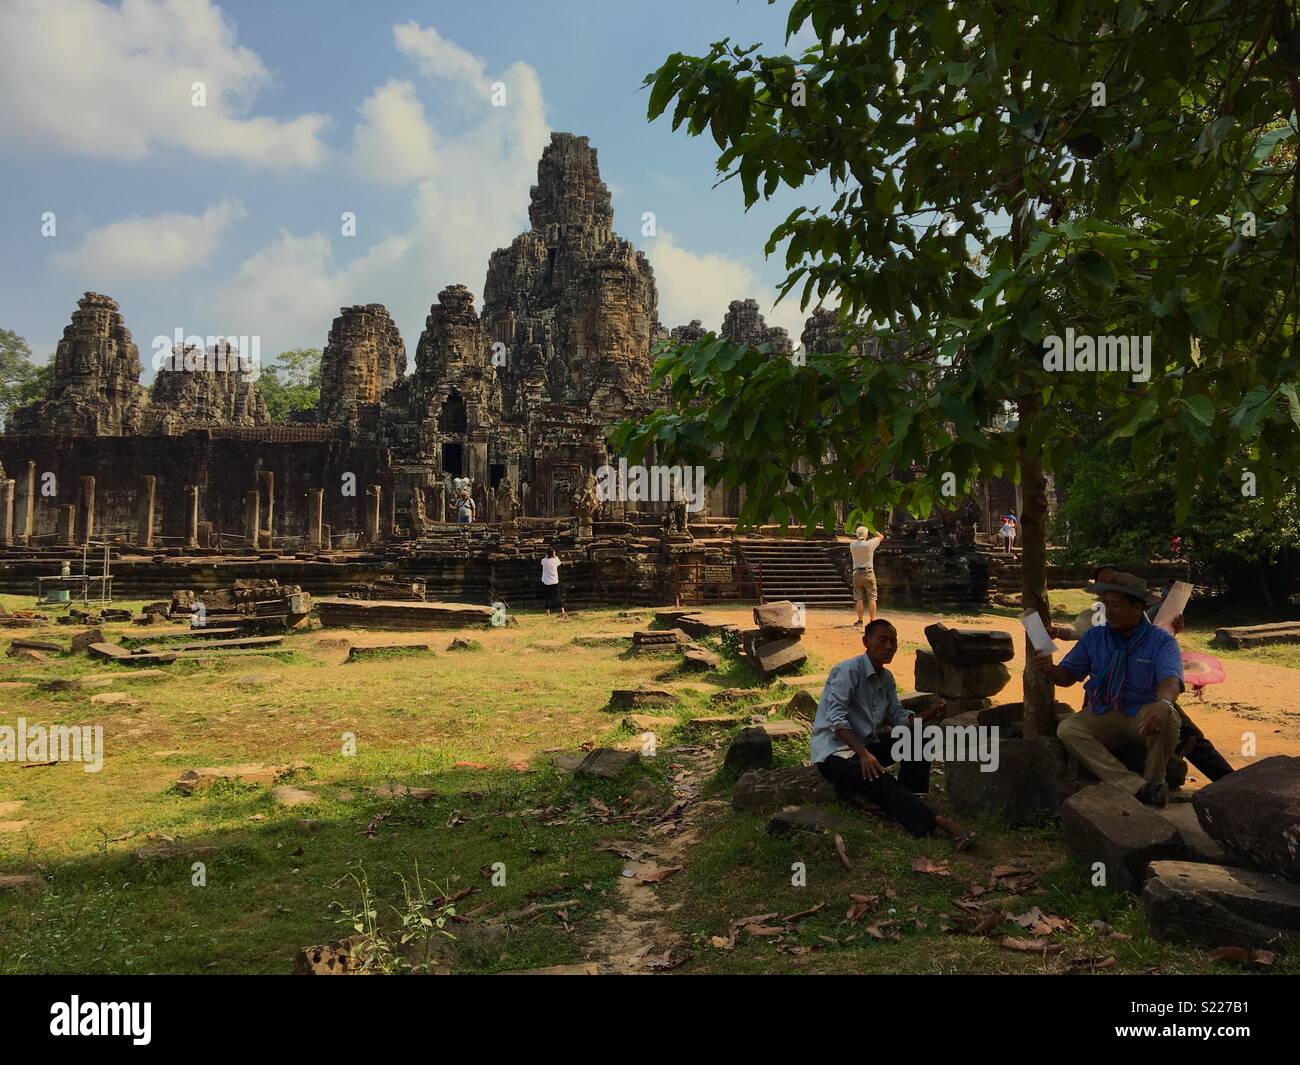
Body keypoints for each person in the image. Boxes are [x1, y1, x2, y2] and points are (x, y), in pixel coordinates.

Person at [811, 619, 975, 849]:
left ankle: (912, 796)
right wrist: (864, 754)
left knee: (920, 737)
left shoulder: (886, 678)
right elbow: (835, 720)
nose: (890, 646)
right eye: (883, 640)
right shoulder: (847, 671)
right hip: (836, 753)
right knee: (880, 778)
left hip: (867, 745)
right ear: (866, 642)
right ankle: (939, 822)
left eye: (894, 641)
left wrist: (929, 713)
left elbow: (898, 717)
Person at [1033, 570, 1183, 807]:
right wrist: (1051, 670)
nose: (1110, 611)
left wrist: (1163, 704)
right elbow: (1068, 676)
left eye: (1117, 605)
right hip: (1106, 712)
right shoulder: (1094, 637)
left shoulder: (1161, 641)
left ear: (1137, 608)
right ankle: (1136, 787)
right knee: (1068, 729)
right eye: (1107, 605)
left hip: (1142, 714)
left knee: (1169, 718)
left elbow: (1171, 679)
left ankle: (1155, 782)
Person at [849, 524, 885, 626]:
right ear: (866, 535)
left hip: (857, 573)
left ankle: (860, 620)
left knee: (859, 598)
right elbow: (881, 537)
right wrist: (873, 528)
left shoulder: (852, 545)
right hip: (868, 573)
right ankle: (872, 620)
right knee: (872, 597)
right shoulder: (869, 544)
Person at [540, 547, 565, 616]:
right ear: (553, 554)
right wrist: (554, 556)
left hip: (546, 582)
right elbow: (559, 562)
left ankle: (548, 612)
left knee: (547, 597)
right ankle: (562, 610)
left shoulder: (544, 561)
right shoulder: (555, 560)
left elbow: (544, 559)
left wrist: (548, 555)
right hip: (554, 581)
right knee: (558, 596)